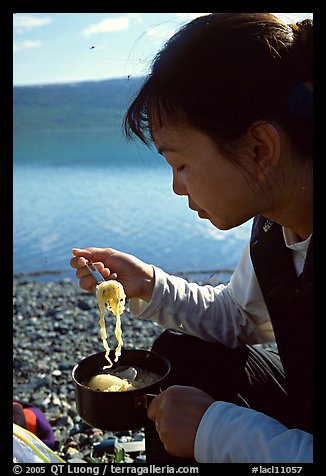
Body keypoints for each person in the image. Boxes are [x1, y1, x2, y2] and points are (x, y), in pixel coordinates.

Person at [70, 13, 313, 463]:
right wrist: (149, 286)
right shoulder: (278, 229)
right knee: (181, 355)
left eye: (180, 164)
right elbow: (241, 318)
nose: (177, 188)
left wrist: (218, 434)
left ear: (259, 148)